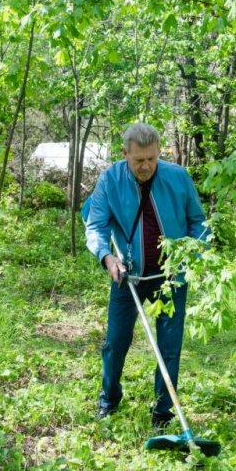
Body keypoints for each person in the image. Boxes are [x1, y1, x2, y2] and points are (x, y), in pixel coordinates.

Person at [83, 123, 208, 429]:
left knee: (169, 345)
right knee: (115, 341)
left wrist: (190, 257)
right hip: (129, 276)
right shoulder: (110, 179)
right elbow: (95, 225)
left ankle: (163, 413)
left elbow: (198, 223)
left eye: (151, 158)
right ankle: (108, 400)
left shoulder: (178, 177)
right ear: (125, 153)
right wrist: (107, 257)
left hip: (171, 276)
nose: (146, 166)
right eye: (138, 159)